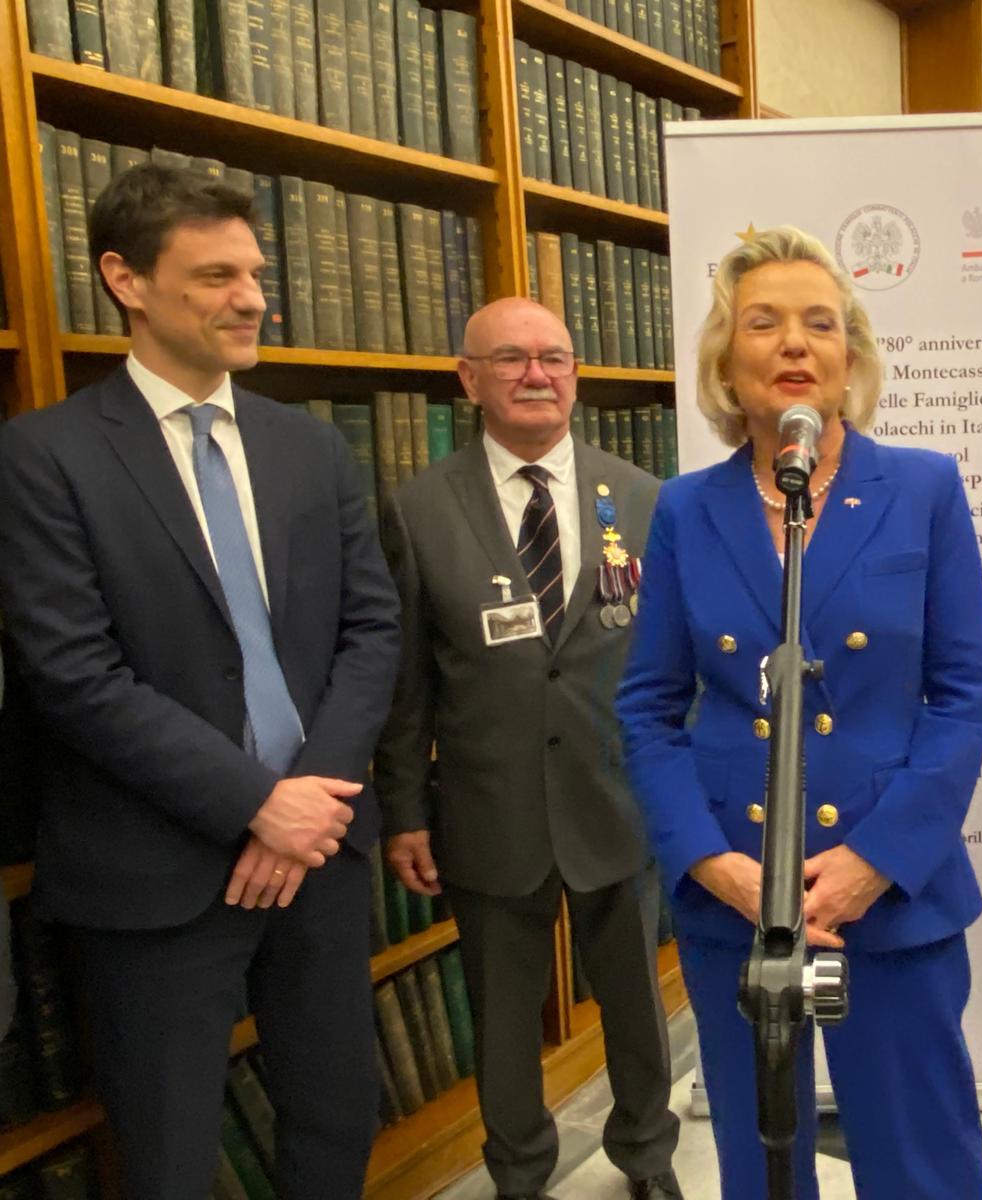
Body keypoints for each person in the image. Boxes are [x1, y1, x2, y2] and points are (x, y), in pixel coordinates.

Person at [0, 164, 401, 1197]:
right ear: (125, 280)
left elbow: (372, 631)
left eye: (255, 273)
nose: (252, 298)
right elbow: (71, 674)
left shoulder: (310, 447)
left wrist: (305, 802)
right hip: (154, 872)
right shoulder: (43, 457)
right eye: (217, 275)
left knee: (337, 1120)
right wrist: (256, 803)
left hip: (318, 855)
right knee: (170, 1156)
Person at [615, 226, 982, 1199]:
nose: (794, 342)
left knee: (921, 1164)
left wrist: (877, 861)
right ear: (725, 362)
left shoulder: (922, 488)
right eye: (764, 322)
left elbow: (963, 698)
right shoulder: (685, 509)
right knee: (764, 1164)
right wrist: (711, 864)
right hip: (737, 893)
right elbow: (649, 707)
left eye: (820, 323)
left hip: (890, 891)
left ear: (850, 357)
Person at [372, 297, 682, 1200]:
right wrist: (403, 813)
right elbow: (405, 684)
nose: (536, 375)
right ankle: (518, 1171)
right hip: (487, 808)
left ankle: (647, 1156)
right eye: (510, 359)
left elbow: (675, 664)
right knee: (503, 1018)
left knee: (635, 1003)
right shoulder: (419, 510)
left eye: (554, 357)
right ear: (469, 379)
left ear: (576, 374)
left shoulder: (642, 497)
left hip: (617, 798)